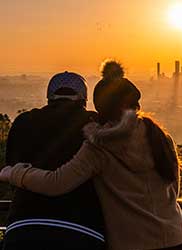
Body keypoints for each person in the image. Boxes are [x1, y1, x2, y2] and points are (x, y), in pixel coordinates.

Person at [1, 62, 182, 250]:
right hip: (174, 237)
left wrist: (13, 174)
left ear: (100, 110)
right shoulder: (161, 136)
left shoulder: (100, 145)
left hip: (130, 242)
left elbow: (56, 182)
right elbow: (173, 186)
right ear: (136, 104)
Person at [2, 72, 105, 250]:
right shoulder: (95, 125)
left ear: (49, 98)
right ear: (83, 99)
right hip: (83, 230)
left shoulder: (23, 123)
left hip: (22, 227)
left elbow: (13, 175)